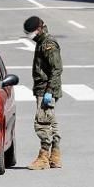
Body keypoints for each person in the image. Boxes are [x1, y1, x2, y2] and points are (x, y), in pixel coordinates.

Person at [24, 16, 63, 170]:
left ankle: (43, 157)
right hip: (45, 88)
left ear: (39, 29)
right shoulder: (41, 42)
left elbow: (56, 69)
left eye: (30, 32)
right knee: (51, 122)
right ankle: (55, 156)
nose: (29, 35)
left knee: (42, 122)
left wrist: (49, 92)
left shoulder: (48, 44)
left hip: (46, 89)